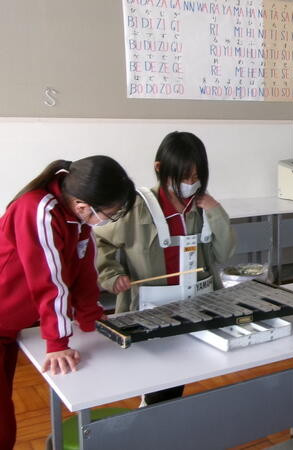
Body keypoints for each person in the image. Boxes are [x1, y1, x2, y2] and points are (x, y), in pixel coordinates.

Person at [0, 156, 135, 450]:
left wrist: (91, 318)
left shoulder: (76, 221)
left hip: (10, 327)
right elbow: (50, 281)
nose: (107, 221)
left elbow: (83, 273)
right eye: (109, 214)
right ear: (83, 205)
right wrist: (57, 342)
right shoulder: (39, 210)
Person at [95, 131, 236, 405]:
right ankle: (150, 411)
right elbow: (102, 239)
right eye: (184, 177)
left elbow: (223, 252)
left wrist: (216, 211)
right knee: (157, 377)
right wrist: (112, 274)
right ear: (159, 168)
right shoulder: (137, 206)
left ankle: (166, 414)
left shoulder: (202, 207)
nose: (190, 184)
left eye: (196, 177)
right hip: (150, 308)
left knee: (182, 372)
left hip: (197, 304)